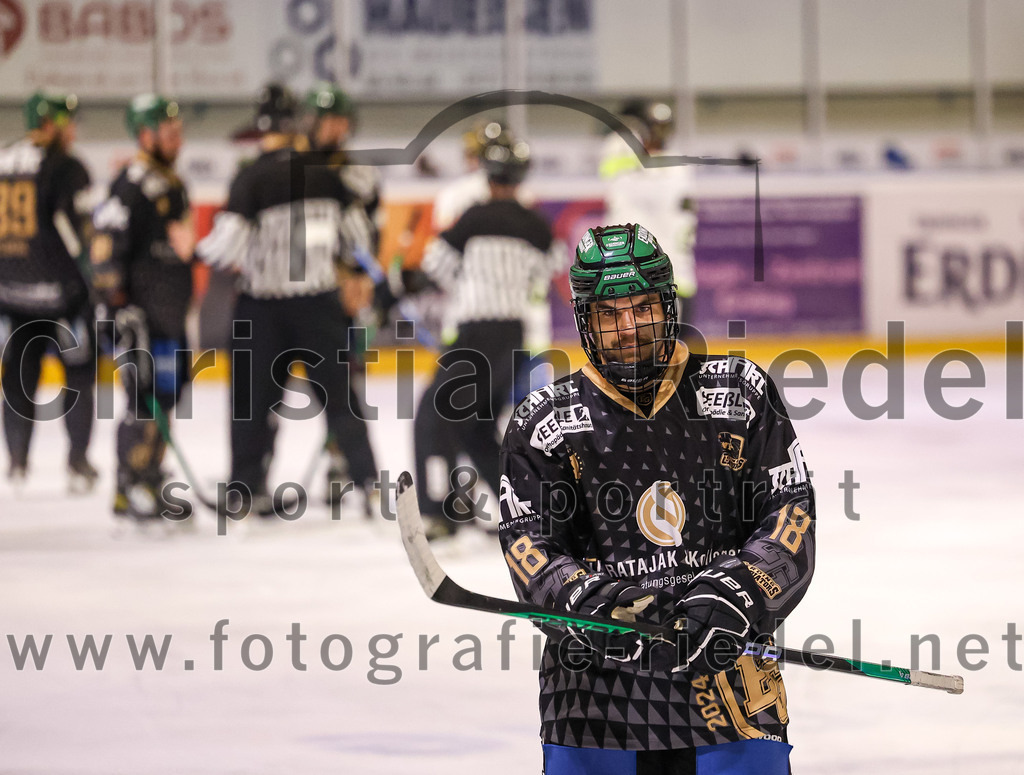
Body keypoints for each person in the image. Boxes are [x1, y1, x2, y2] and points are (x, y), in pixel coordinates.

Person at [497, 223, 815, 773]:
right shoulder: (543, 422)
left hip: (732, 694)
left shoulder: (741, 394)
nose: (629, 327)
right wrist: (586, 603)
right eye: (608, 314)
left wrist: (738, 593)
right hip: (595, 706)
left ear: (669, 306)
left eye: (642, 307)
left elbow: (790, 519)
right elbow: (531, 549)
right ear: (584, 320)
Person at [196, 83, 379, 518]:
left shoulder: (251, 177)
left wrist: (189, 250)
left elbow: (225, 250)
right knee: (341, 403)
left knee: (252, 405)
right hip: (319, 305)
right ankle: (372, 486)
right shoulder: (328, 174)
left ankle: (245, 489)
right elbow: (358, 241)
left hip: (264, 309)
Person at [413, 131, 564, 540]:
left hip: (475, 334)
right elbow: (550, 268)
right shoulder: (536, 224)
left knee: (432, 417)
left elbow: (434, 265)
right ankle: (524, 510)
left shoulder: (474, 217)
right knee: (476, 427)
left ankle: (439, 511)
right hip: (514, 337)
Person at [90, 94, 193, 519]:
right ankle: (126, 486)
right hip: (140, 317)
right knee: (142, 399)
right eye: (168, 133)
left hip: (168, 316)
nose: (176, 140)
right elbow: (104, 251)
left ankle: (150, 473)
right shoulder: (130, 183)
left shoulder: (172, 182)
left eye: (178, 132)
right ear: (146, 135)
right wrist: (116, 306)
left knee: (167, 398)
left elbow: (178, 249)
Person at [0, 90, 98, 493]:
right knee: (78, 374)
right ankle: (77, 462)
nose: (72, 130)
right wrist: (93, 276)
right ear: (50, 122)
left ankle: (18, 463)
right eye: (67, 121)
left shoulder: (3, 158)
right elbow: (72, 226)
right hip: (62, 296)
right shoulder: (67, 167)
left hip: (11, 293)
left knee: (19, 378)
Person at [601, 101, 698, 335]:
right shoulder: (675, 167)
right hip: (652, 276)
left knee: (667, 356)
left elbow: (618, 162)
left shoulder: (670, 170)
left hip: (666, 275)